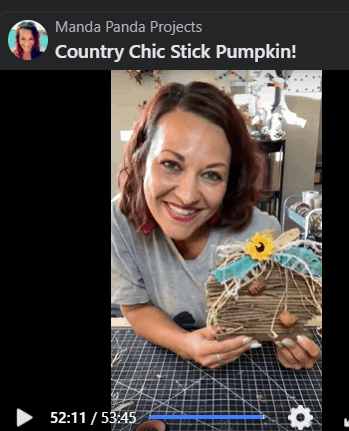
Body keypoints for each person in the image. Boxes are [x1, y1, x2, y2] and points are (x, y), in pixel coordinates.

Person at [111, 81, 322, 370]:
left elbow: (276, 305)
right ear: (141, 160)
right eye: (171, 164)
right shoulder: (119, 219)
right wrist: (185, 344)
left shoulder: (261, 234)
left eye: (211, 175)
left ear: (230, 182)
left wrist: (290, 336)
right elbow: (134, 306)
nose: (187, 196)